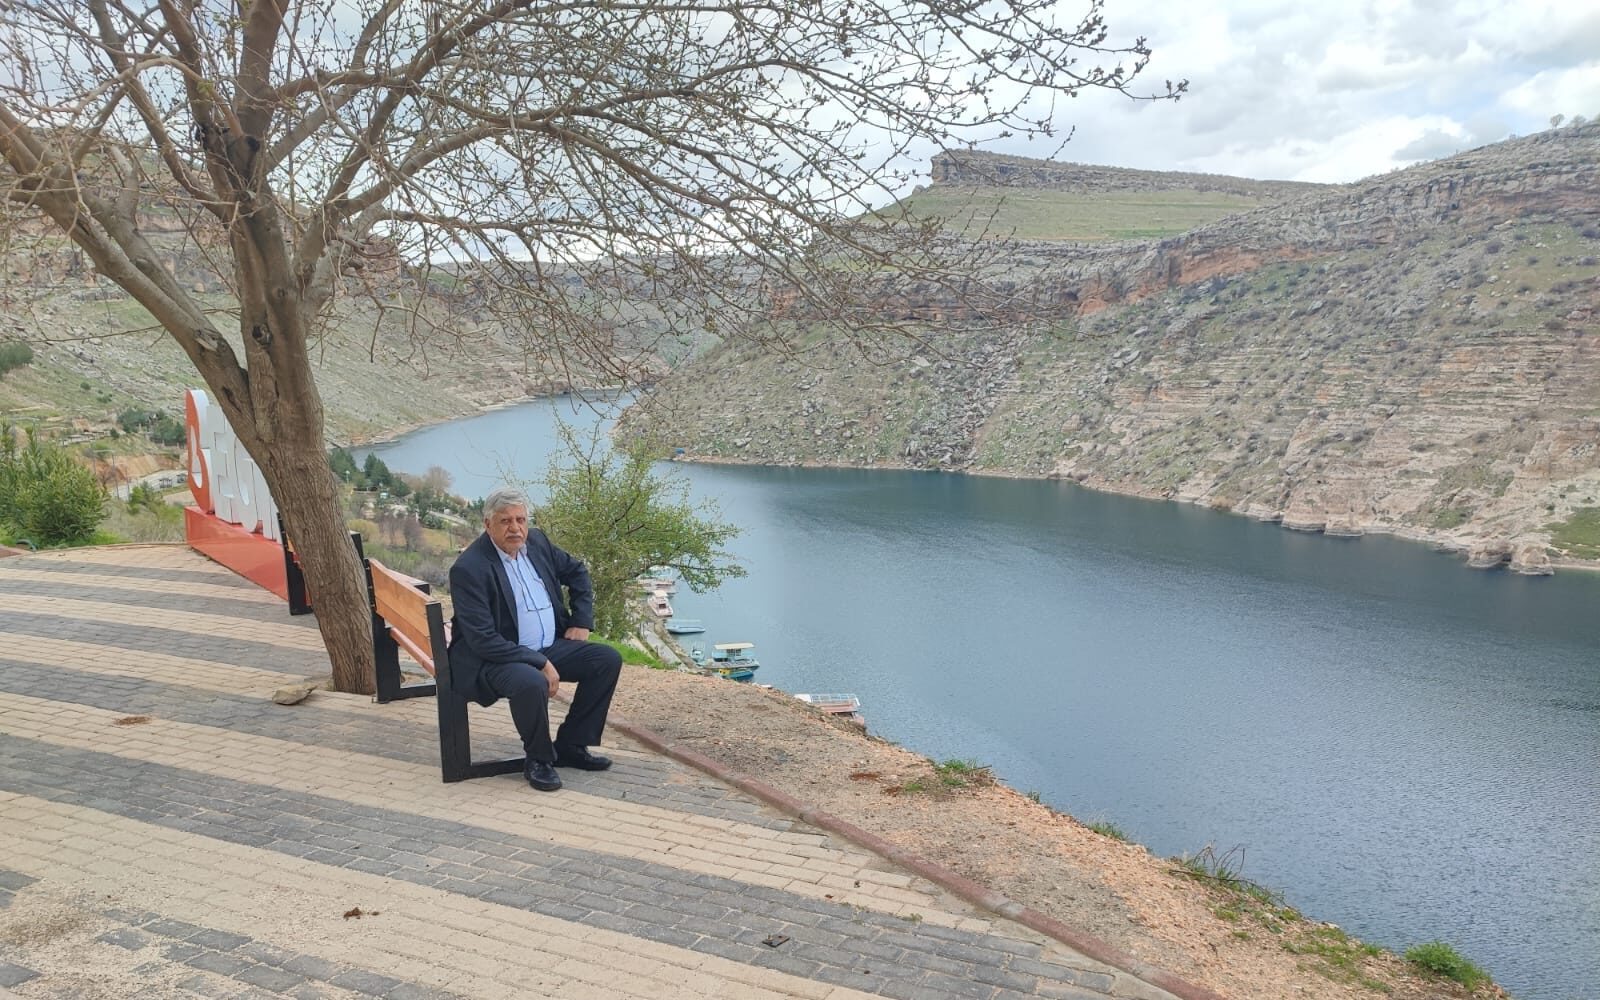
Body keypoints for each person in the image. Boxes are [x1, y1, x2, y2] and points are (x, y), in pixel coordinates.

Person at [447, 487, 623, 792]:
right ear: (488, 524)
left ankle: (571, 745)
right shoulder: (469, 569)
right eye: (505, 521)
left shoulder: (537, 542)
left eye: (520, 519)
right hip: (495, 658)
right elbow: (483, 639)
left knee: (606, 660)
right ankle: (539, 759)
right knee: (530, 681)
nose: (515, 528)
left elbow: (578, 572)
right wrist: (538, 661)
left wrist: (581, 620)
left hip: (547, 645)